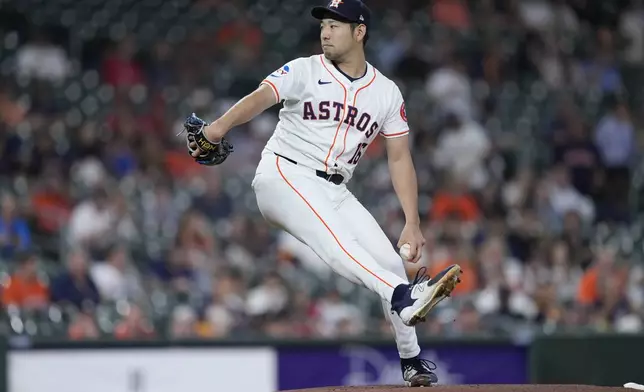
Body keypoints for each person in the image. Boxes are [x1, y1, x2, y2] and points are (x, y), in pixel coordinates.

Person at [186, 0, 462, 386]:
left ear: (359, 31)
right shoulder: (304, 69)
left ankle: (412, 360)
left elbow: (400, 159)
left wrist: (412, 222)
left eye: (335, 25)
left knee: (389, 257)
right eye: (323, 25)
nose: (325, 32)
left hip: (335, 188)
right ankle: (404, 296)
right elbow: (260, 98)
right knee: (337, 240)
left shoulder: (385, 92)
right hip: (284, 173)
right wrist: (216, 129)